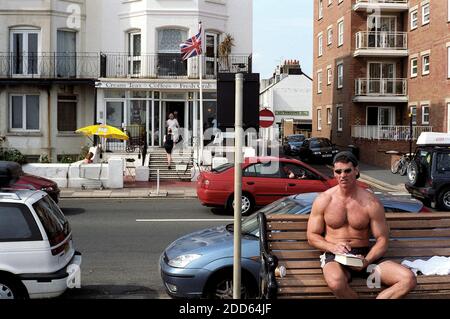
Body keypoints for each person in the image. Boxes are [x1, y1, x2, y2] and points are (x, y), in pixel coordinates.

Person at [306, 151, 416, 299]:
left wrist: (366, 261)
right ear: (334, 172)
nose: (342, 175)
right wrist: (333, 247)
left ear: (356, 171)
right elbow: (312, 236)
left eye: (347, 171)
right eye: (338, 171)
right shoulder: (324, 199)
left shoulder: (371, 202)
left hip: (364, 256)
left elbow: (382, 239)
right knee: (336, 283)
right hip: (336, 256)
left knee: (408, 279)